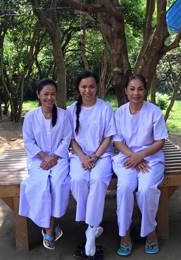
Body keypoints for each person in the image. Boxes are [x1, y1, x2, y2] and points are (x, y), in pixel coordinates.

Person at [113, 74, 168, 256]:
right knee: (125, 188)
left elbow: (160, 141)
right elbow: (118, 142)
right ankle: (124, 233)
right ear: (126, 91)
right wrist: (134, 157)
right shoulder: (119, 112)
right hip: (126, 158)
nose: (136, 93)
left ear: (145, 91)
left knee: (146, 190)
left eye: (140, 89)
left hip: (150, 158)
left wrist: (141, 155)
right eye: (132, 89)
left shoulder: (154, 111)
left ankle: (150, 232)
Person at [19, 79, 72, 250]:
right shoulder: (30, 116)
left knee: (58, 183)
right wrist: (44, 157)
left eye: (52, 94)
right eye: (45, 94)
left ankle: (50, 225)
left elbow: (67, 139)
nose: (49, 97)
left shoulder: (64, 115)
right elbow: (28, 141)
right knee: (41, 184)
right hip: (38, 159)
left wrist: (54, 157)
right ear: (38, 95)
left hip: (60, 158)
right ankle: (50, 228)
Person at [67, 71, 115, 257]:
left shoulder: (105, 108)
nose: (88, 90)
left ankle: (90, 230)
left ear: (97, 87)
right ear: (78, 89)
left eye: (91, 86)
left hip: (101, 156)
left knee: (97, 181)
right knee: (78, 180)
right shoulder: (71, 110)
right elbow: (70, 139)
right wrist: (83, 157)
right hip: (78, 156)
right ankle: (92, 224)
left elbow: (109, 137)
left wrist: (94, 156)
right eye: (83, 86)